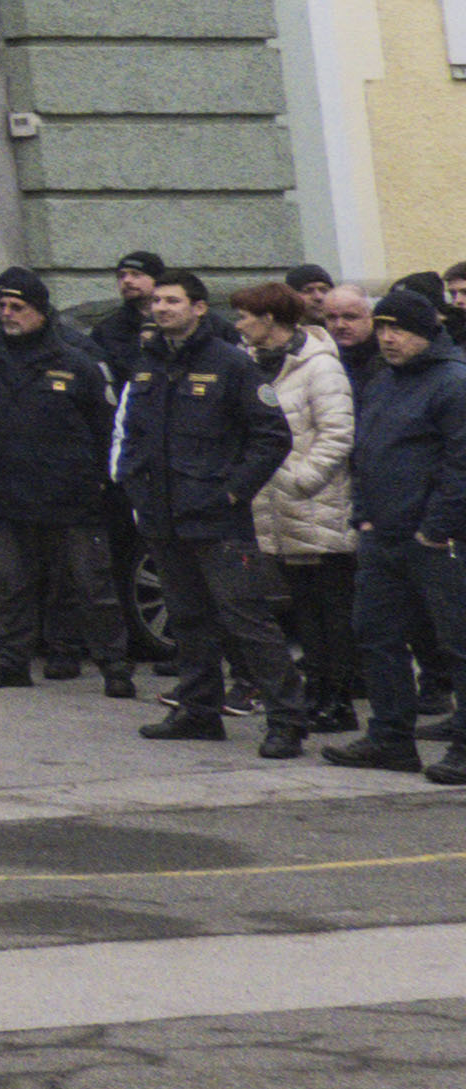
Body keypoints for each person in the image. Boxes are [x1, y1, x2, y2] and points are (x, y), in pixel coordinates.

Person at [115, 268, 303, 751]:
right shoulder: (147, 364)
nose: (161, 308)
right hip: (162, 515)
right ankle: (198, 710)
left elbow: (272, 436)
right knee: (187, 619)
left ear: (199, 308)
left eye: (172, 301)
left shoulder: (230, 364)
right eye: (157, 301)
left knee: (247, 620)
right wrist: (136, 482)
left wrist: (233, 492)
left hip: (216, 518)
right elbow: (133, 433)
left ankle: (287, 721)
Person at [0, 273, 126, 695]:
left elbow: (105, 427)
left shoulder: (75, 361)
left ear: (40, 312)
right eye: (1, 306)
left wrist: (101, 479)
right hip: (5, 490)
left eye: (17, 307)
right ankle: (11, 663)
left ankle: (115, 667)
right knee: (10, 584)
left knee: (91, 586)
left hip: (69, 493)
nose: (7, 315)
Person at [326, 289, 466, 778]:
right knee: (375, 635)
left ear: (426, 332)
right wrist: (363, 514)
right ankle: (390, 739)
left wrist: (436, 529)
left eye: (398, 328)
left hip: (437, 541)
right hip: (382, 535)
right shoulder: (384, 380)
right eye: (382, 327)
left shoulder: (453, 383)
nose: (387, 337)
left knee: (456, 644)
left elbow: (460, 465)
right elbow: (367, 451)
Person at [235, 281, 359, 738]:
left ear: (270, 320)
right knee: (303, 611)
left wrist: (297, 480)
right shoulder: (249, 365)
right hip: (275, 510)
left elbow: (336, 435)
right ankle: (316, 692)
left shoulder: (319, 367)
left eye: (246, 315)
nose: (239, 324)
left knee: (331, 611)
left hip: (316, 505)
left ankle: (338, 699)